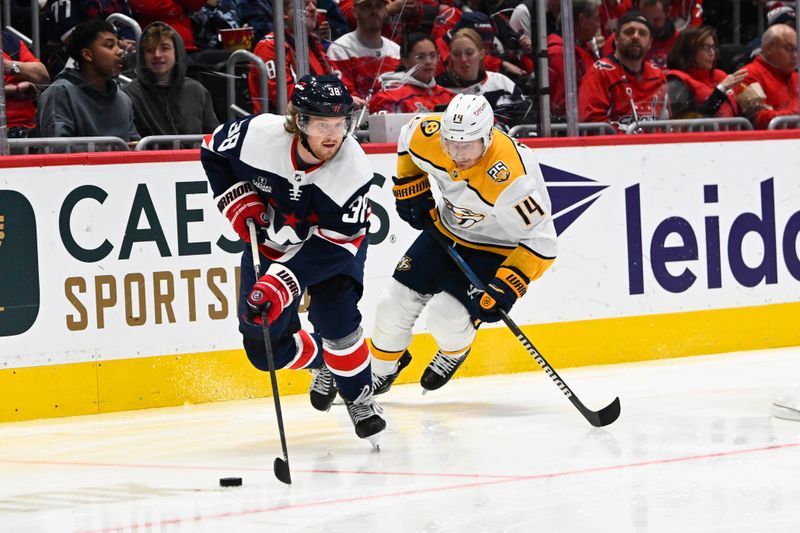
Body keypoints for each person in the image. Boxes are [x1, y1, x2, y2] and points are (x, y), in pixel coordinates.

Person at [200, 74, 385, 441]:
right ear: (299, 121)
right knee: (263, 348)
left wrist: (282, 282)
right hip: (272, 242)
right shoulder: (259, 136)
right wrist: (237, 199)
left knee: (335, 319)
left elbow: (338, 242)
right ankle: (323, 363)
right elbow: (212, 149)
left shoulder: (353, 170)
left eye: (340, 123)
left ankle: (360, 398)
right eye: (321, 124)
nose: (333, 134)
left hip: (332, 249)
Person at [369, 93, 557, 394]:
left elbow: (543, 241)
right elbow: (408, 137)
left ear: (487, 136)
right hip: (447, 230)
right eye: (452, 143)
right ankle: (378, 372)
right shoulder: (430, 136)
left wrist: (510, 283)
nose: (458, 153)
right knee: (392, 304)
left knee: (445, 315)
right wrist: (410, 185)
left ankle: (453, 352)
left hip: (497, 247)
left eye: (468, 144)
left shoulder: (512, 179)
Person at [37, 19, 139, 141]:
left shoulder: (123, 99)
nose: (120, 51)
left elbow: (135, 145)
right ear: (87, 55)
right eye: (110, 45)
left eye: (118, 45)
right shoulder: (59, 93)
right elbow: (59, 151)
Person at [123, 22, 219, 139]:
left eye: (164, 48)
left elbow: (214, 137)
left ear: (177, 51)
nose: (157, 55)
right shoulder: (130, 95)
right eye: (150, 50)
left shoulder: (197, 90)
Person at [579, 11, 669, 130]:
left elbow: (666, 123)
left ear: (650, 43)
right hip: (615, 147)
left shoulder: (657, 75)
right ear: (616, 38)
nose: (636, 36)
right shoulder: (600, 73)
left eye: (642, 33)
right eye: (629, 32)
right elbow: (592, 125)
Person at [248, 0, 333, 114]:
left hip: (318, 118)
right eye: (304, 5)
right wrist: (332, 100)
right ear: (284, 12)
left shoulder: (313, 42)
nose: (313, 9)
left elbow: (332, 83)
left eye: (315, 4)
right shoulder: (271, 46)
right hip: (282, 125)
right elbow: (285, 100)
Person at [327, 0, 401, 105]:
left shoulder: (396, 51)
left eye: (379, 6)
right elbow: (345, 94)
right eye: (367, 6)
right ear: (354, 12)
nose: (374, 11)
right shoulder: (339, 49)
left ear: (385, 11)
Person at [666, 26, 747, 119]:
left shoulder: (721, 76)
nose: (712, 53)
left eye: (713, 47)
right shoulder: (676, 81)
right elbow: (690, 123)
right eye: (706, 47)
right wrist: (721, 90)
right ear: (689, 50)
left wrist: (748, 110)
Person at [436, 28, 525, 110]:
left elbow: (524, 119)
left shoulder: (501, 82)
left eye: (469, 53)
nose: (463, 59)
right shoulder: (439, 88)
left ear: (482, 54)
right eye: (456, 54)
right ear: (450, 56)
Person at [368, 33, 455, 114]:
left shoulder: (448, 96)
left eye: (432, 56)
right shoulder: (389, 97)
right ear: (405, 61)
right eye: (420, 57)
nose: (429, 61)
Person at [547, 0, 602, 120]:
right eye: (596, 19)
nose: (598, 24)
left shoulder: (582, 48)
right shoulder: (559, 53)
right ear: (582, 20)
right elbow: (560, 105)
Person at [739, 24, 798, 129]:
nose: (795, 56)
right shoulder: (747, 76)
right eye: (789, 49)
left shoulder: (795, 77)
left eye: (796, 50)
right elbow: (759, 119)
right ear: (769, 48)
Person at [3, 31, 50, 138]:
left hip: (27, 130)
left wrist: (10, 66)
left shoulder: (8, 41)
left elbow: (43, 76)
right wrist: (13, 89)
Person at [639, 0, 679, 69]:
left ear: (668, 12)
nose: (651, 24)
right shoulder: (632, 38)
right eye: (647, 19)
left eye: (656, 19)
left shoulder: (679, 40)